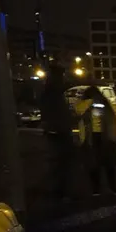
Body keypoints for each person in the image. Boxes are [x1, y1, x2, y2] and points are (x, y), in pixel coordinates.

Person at [75, 86, 116, 196]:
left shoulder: (102, 104)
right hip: (97, 137)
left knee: (104, 164)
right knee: (100, 165)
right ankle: (106, 189)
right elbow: (78, 110)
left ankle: (103, 189)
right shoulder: (90, 104)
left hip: (101, 137)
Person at [39, 65, 75, 200]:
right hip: (59, 131)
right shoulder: (54, 92)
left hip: (57, 130)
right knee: (61, 163)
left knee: (60, 163)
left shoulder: (50, 92)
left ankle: (61, 191)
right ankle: (60, 192)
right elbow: (57, 113)